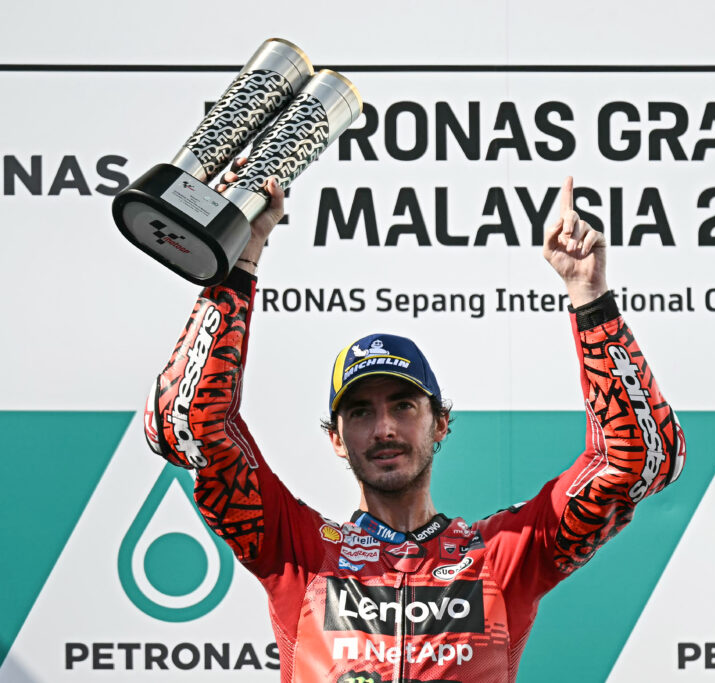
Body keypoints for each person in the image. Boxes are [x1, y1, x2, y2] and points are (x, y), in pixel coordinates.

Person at [143, 171, 686, 682]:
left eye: (403, 406)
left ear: (440, 424)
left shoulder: (504, 555)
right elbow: (187, 424)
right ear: (336, 439)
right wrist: (240, 261)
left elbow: (640, 459)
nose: (384, 428)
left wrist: (589, 297)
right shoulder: (297, 551)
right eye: (360, 412)